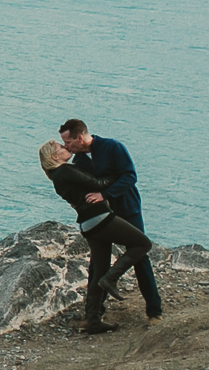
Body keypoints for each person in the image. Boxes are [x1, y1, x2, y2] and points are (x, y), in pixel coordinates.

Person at [39, 140, 152, 334]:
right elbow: (96, 184)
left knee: (99, 268)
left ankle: (92, 320)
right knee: (142, 243)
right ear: (54, 157)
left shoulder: (56, 177)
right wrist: (117, 175)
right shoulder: (65, 170)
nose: (66, 148)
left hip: (87, 223)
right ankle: (112, 278)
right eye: (61, 148)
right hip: (99, 218)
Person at [60, 119, 163, 323]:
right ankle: (96, 312)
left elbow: (130, 176)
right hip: (100, 216)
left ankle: (154, 311)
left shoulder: (112, 147)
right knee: (99, 263)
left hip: (127, 208)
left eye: (68, 142)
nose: (65, 146)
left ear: (80, 137)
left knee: (140, 256)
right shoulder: (78, 162)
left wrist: (104, 194)